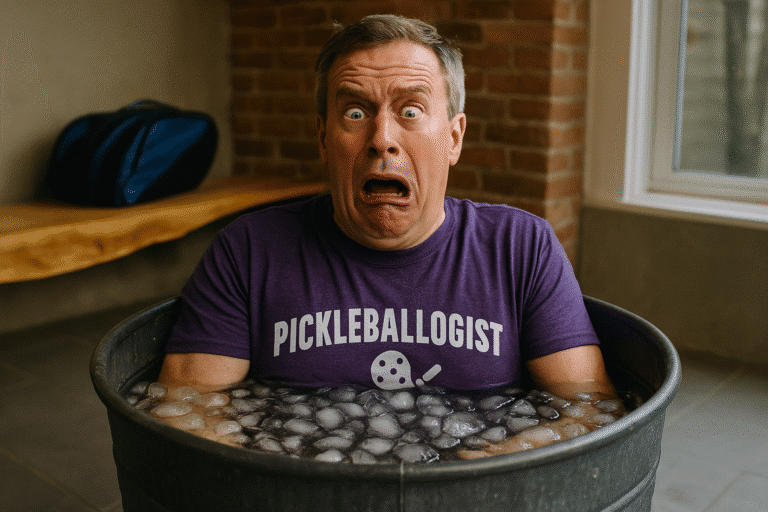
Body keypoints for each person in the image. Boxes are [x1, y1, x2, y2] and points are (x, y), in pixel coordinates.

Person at [159, 15, 615, 399]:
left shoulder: (522, 249)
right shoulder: (248, 251)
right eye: (355, 113)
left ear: (454, 138)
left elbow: (584, 413)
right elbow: (191, 421)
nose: (382, 139)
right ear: (323, 139)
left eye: (411, 111)